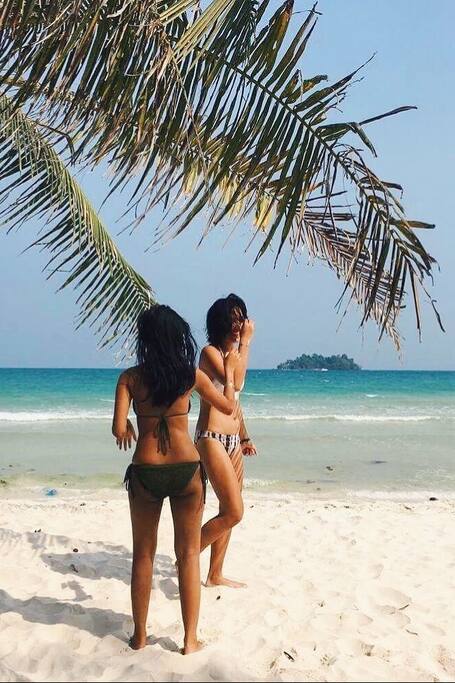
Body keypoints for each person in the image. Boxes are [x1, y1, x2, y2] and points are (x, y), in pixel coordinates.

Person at [112, 305, 239, 654]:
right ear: (178, 338)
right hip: (187, 471)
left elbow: (118, 430)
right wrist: (229, 372)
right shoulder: (190, 376)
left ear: (146, 340)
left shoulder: (130, 378)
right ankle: (189, 640)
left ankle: (140, 636)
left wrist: (130, 426)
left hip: (146, 472)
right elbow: (228, 406)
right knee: (188, 554)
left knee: (143, 554)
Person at [195, 294, 257, 588]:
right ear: (219, 322)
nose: (238, 325)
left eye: (241, 319)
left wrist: (244, 436)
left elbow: (235, 401)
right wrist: (246, 343)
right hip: (211, 438)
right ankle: (186, 554)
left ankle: (214, 574)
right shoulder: (210, 353)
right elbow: (237, 381)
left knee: (227, 511)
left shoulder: (233, 356)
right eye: (232, 320)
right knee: (234, 511)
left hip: (233, 440)